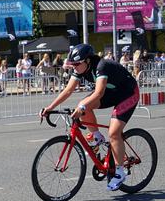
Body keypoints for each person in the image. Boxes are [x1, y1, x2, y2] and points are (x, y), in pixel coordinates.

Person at [40, 44, 140, 191]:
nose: (74, 67)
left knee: (113, 133)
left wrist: (81, 107)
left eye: (76, 64)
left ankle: (120, 172)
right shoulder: (80, 69)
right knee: (83, 104)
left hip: (128, 94)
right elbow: (68, 91)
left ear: (87, 61)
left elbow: (98, 93)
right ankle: (97, 136)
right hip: (111, 94)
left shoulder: (102, 66)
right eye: (72, 64)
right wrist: (50, 107)